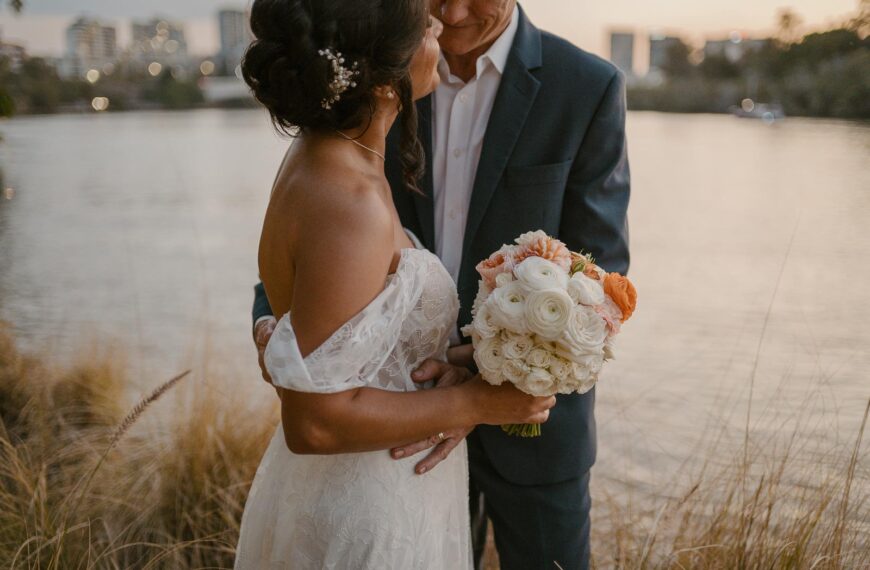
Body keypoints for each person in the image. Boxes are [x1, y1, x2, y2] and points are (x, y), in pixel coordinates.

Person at [253, 1, 631, 568]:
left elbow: (599, 273)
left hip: (528, 431)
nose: (447, 16)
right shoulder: (367, 106)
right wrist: (276, 328)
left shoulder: (586, 86)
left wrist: (487, 378)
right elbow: (315, 241)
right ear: (379, 74)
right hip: (378, 455)